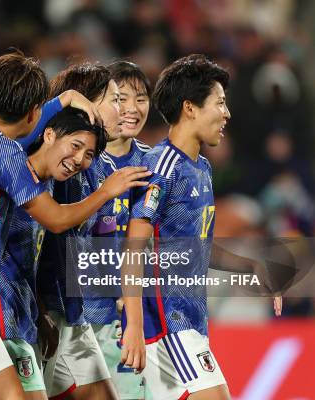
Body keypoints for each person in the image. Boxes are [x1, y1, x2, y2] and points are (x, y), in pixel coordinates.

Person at [0, 52, 150, 400]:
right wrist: (107, 191)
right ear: (35, 113)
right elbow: (56, 218)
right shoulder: (6, 155)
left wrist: (61, 100)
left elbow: (21, 130)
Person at [120, 54, 281, 400]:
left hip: (191, 321)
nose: (227, 114)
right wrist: (133, 325)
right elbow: (134, 247)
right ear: (190, 108)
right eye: (220, 104)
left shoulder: (202, 169)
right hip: (164, 322)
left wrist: (250, 267)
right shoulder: (160, 166)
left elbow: (198, 247)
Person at [0, 107, 107, 400]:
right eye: (76, 146)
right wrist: (107, 192)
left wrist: (41, 312)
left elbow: (27, 264)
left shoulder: (47, 186)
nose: (80, 160)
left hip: (24, 316)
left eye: (89, 155)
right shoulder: (14, 177)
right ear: (48, 134)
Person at [37, 62, 124, 400]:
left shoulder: (98, 164)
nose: (124, 109)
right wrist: (42, 306)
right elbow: (47, 235)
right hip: (41, 306)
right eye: (115, 100)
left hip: (70, 309)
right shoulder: (53, 163)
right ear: (85, 105)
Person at [88, 60, 153, 400]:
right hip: (81, 316)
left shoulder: (154, 165)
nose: (131, 108)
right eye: (121, 98)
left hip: (134, 318)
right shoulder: (81, 161)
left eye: (140, 98)